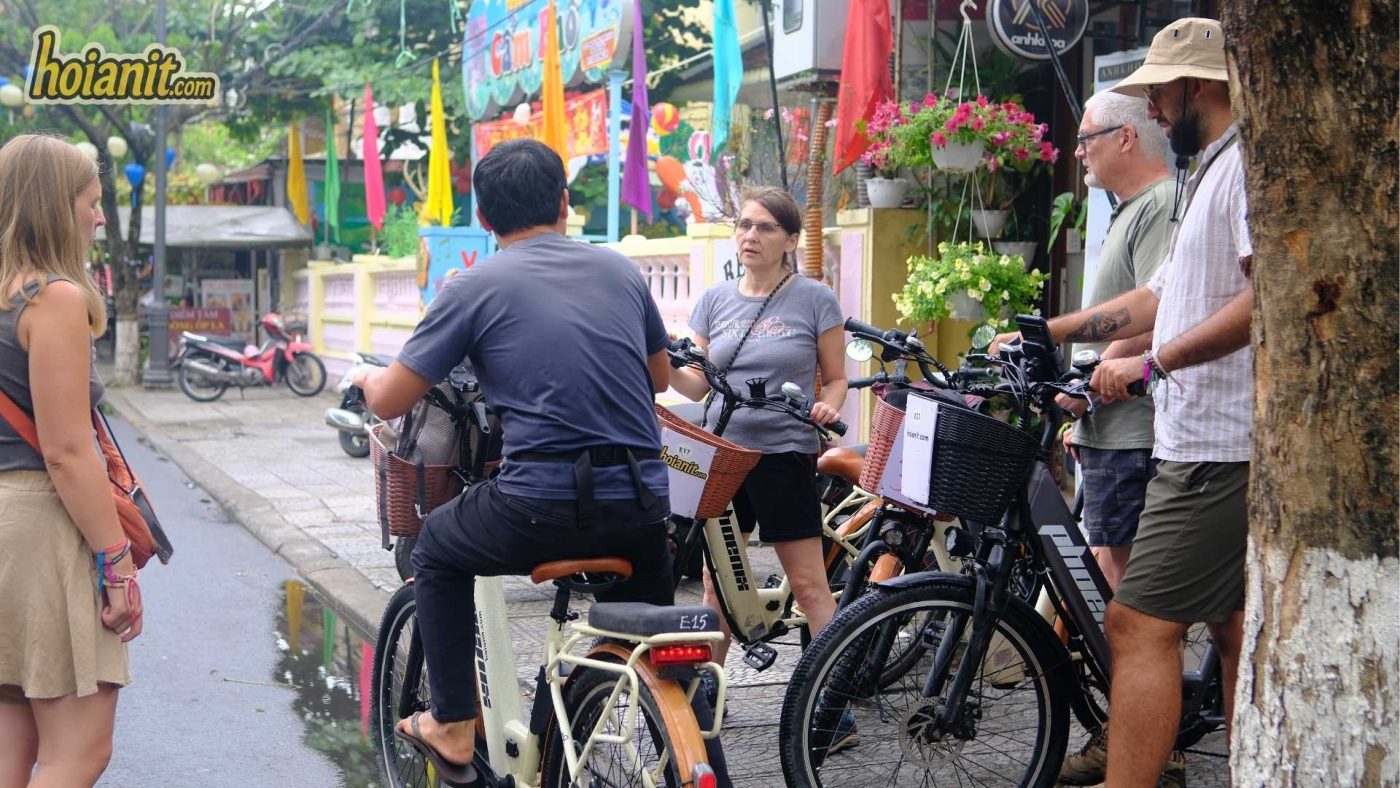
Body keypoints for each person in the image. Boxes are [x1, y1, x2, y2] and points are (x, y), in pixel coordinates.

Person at [356, 138, 696, 780]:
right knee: (638, 640)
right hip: (645, 502)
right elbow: (657, 376)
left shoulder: (472, 285)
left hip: (536, 506)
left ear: (483, 220)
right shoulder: (621, 270)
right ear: (565, 203)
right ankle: (635, 720)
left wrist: (364, 378)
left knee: (435, 548)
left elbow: (394, 395)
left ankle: (452, 723)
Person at [1000, 18, 1251, 787]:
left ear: (1196, 86)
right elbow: (1158, 297)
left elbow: (1263, 300)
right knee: (1238, 632)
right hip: (1198, 435)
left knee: (1135, 624)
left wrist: (1152, 366)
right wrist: (1052, 329)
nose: (1158, 110)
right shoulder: (1208, 171)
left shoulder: (1241, 169)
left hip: (1216, 443)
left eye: (1161, 94)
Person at [668, 187, 850, 742]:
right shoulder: (714, 300)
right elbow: (696, 381)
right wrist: (667, 363)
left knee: (810, 584)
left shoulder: (815, 299)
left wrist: (828, 405)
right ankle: (708, 699)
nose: (750, 235)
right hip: (721, 455)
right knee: (714, 583)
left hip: (784, 454)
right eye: (744, 225)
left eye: (766, 228)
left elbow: (836, 377)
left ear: (790, 241)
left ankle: (831, 707)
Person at [0, 134, 142, 786]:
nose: (100, 216)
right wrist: (117, 564)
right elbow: (65, 450)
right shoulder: (50, 299)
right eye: (90, 201)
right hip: (39, 528)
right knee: (77, 752)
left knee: (13, 751)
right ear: (57, 208)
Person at [1053, 91, 1178, 786]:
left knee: (1130, 603)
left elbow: (1162, 311)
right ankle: (1130, 732)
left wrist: (1096, 368)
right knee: (1111, 585)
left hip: (1137, 427)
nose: (1081, 153)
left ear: (1126, 139)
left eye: (1089, 139)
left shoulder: (1159, 205)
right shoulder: (1133, 210)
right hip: (1110, 426)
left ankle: (1151, 741)